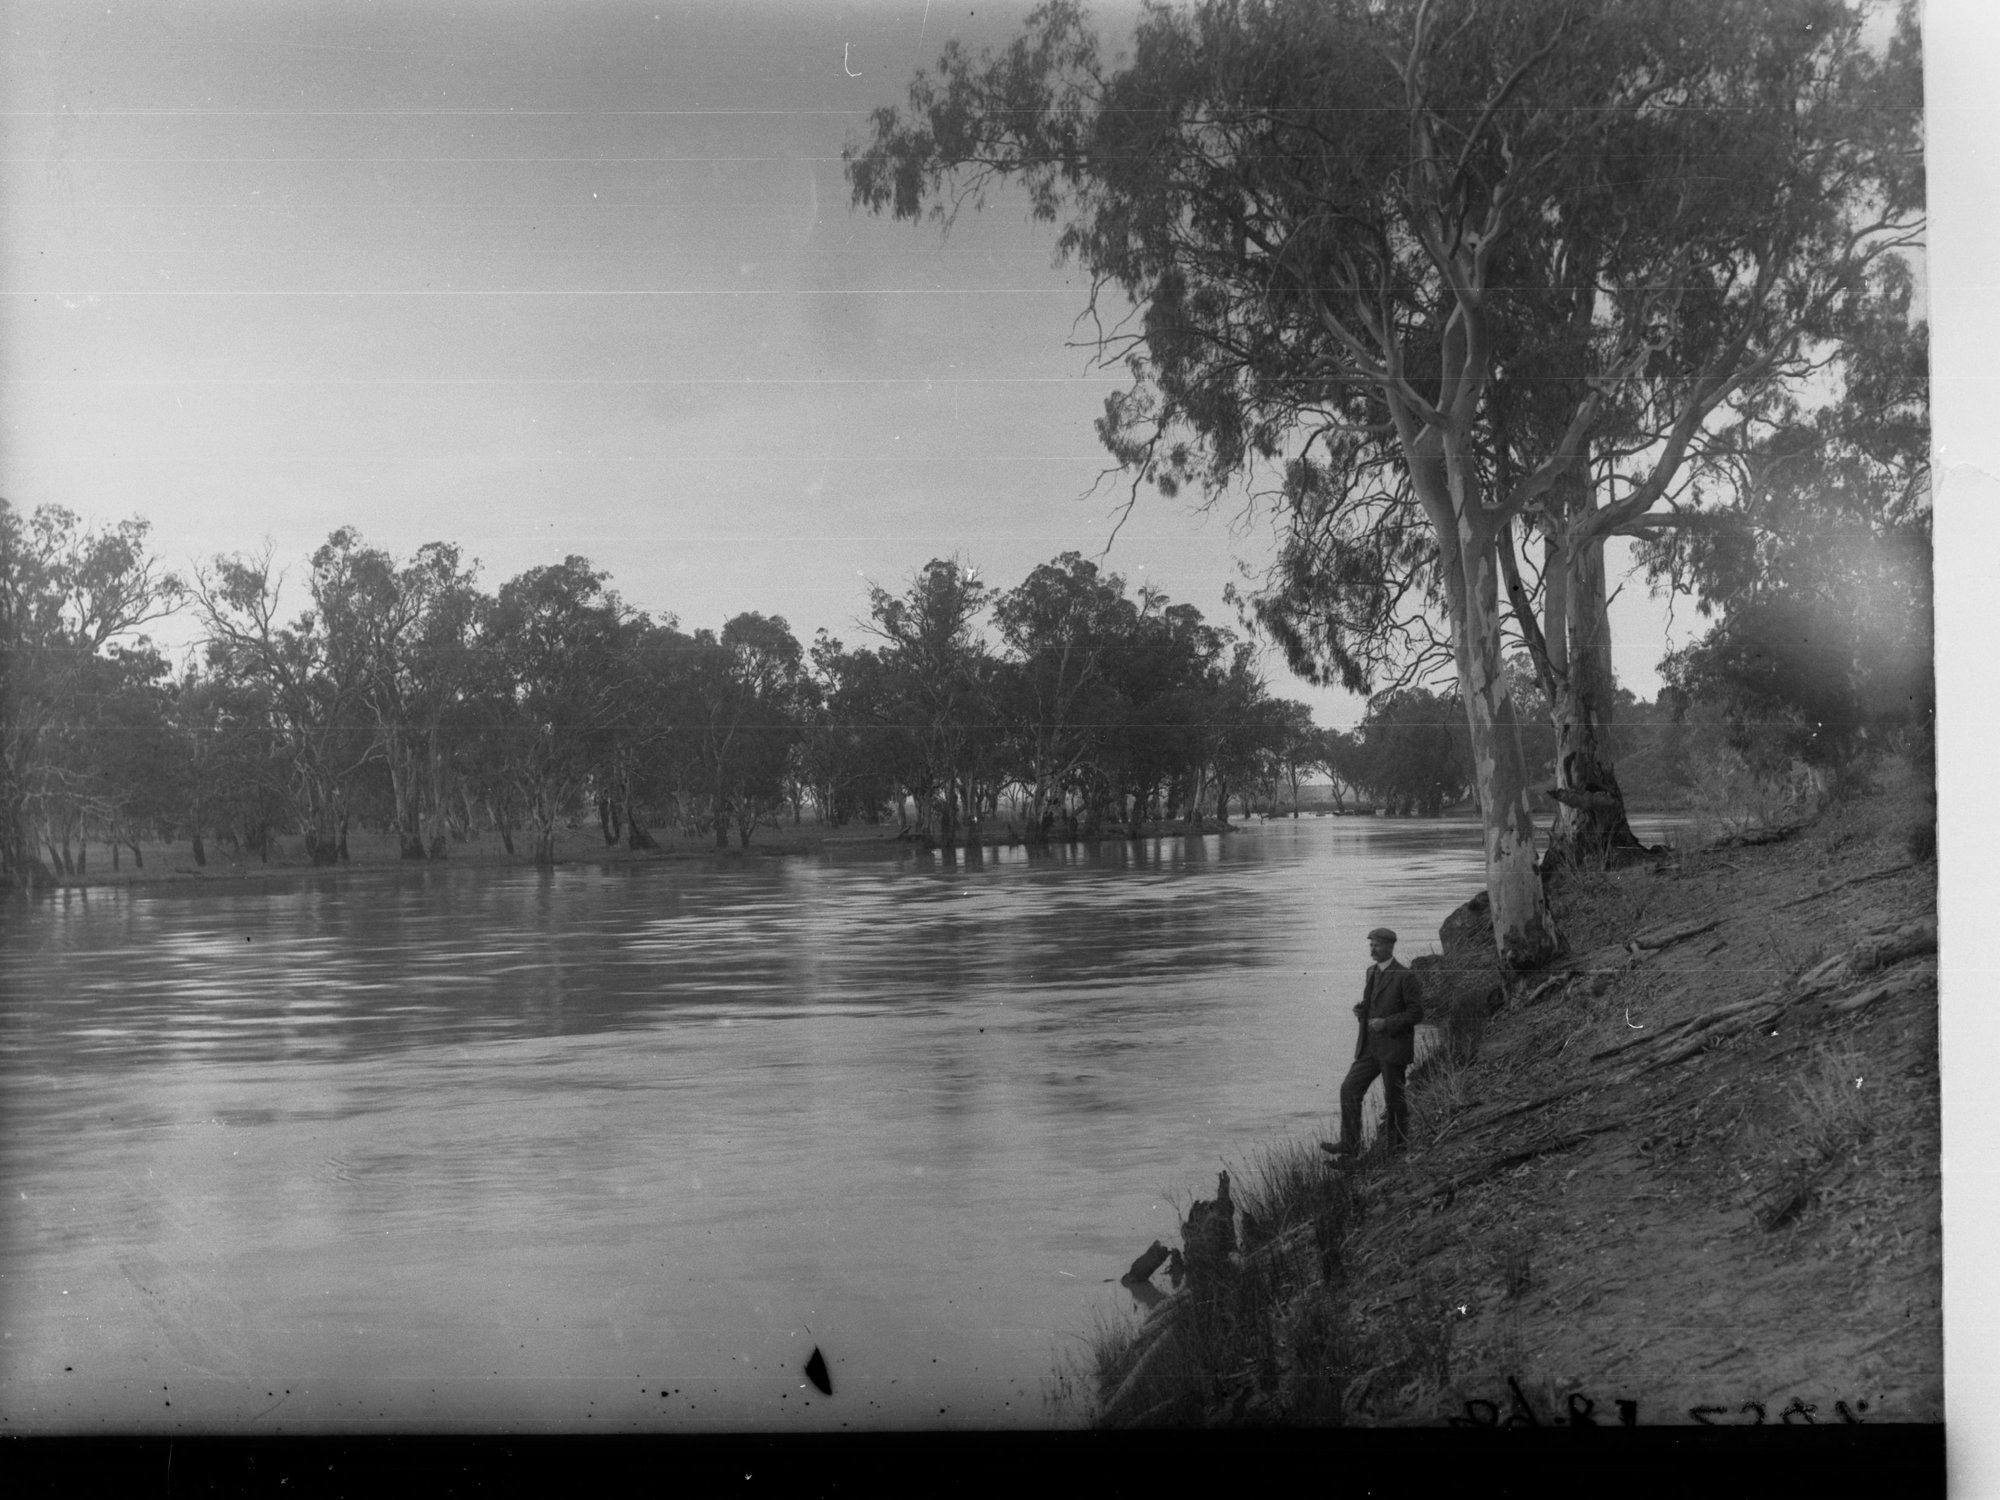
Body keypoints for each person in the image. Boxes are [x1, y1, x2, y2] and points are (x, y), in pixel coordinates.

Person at [1323, 926, 1424, 1160]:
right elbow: (1371, 1005)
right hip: (1369, 1048)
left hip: (1394, 1048)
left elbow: (1416, 1013)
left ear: (1390, 946)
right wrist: (1361, 1011)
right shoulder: (1371, 972)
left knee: (1394, 1100)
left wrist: (1386, 1023)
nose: (1372, 949)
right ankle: (1350, 1145)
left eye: (1377, 945)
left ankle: (1397, 1150)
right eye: (1370, 945)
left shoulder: (1405, 976)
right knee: (1349, 1089)